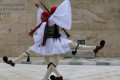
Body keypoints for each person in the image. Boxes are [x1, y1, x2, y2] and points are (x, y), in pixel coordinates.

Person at [3, 0, 105, 80]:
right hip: (50, 42)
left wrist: (34, 34)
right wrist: (39, 9)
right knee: (50, 61)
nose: (42, 17)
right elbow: (44, 17)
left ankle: (52, 76)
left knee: (44, 57)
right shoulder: (49, 19)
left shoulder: (52, 19)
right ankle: (94, 48)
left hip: (51, 42)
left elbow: (46, 19)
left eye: (43, 16)